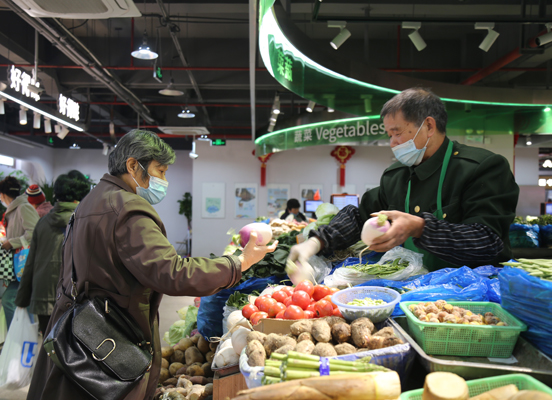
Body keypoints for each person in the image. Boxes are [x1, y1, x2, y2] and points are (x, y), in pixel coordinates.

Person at [27, 130, 277, 400]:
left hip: (78, 327)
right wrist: (239, 262)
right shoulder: (128, 209)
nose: (164, 180)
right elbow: (172, 272)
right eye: (160, 170)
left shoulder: (91, 201)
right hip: (112, 334)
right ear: (133, 165)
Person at [289, 87, 519, 272]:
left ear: (428, 126)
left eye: (397, 133)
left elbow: (487, 242)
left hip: (472, 297)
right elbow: (360, 216)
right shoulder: (396, 175)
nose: (392, 143)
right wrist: (316, 242)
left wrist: (420, 228)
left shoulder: (482, 168)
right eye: (389, 135)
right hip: (413, 291)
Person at [15, 173, 91, 334]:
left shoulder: (42, 223)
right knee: (75, 353)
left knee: (49, 351)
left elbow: (30, 262)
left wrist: (22, 299)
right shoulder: (86, 222)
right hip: (77, 298)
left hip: (43, 296)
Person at [0, 176, 39, 330]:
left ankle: (15, 341)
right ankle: (26, 341)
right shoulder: (17, 207)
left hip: (23, 262)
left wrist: (11, 242)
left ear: (2, 194)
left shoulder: (23, 207)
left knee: (9, 300)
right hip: (19, 262)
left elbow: (34, 231)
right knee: (24, 301)